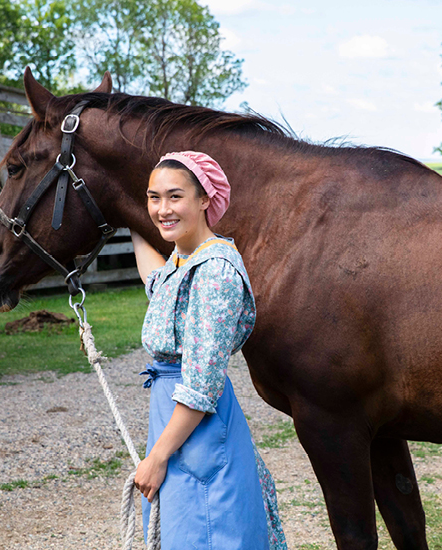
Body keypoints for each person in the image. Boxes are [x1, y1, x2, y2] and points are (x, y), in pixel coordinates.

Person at [130, 151, 287, 550]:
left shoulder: (215, 272)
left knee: (208, 532)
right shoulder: (184, 260)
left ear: (204, 200)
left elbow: (201, 384)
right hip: (174, 421)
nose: (162, 209)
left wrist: (158, 457)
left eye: (175, 197)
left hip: (198, 427)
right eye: (153, 198)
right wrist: (129, 222)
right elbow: (157, 280)